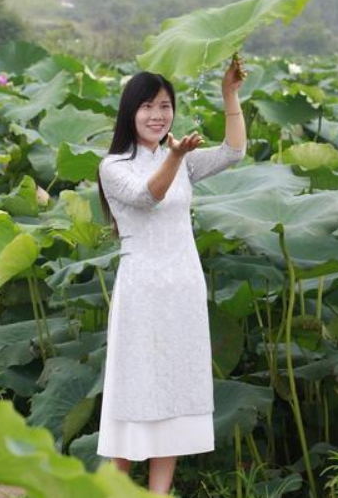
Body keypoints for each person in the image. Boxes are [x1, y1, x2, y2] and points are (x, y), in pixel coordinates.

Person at [95, 56, 247, 495]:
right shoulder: (114, 166)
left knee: (176, 388)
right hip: (142, 291)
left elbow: (233, 151)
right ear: (130, 113)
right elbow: (148, 197)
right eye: (147, 107)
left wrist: (229, 94)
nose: (158, 115)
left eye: (165, 106)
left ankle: (159, 493)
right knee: (135, 389)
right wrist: (177, 156)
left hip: (182, 287)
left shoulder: (181, 159)